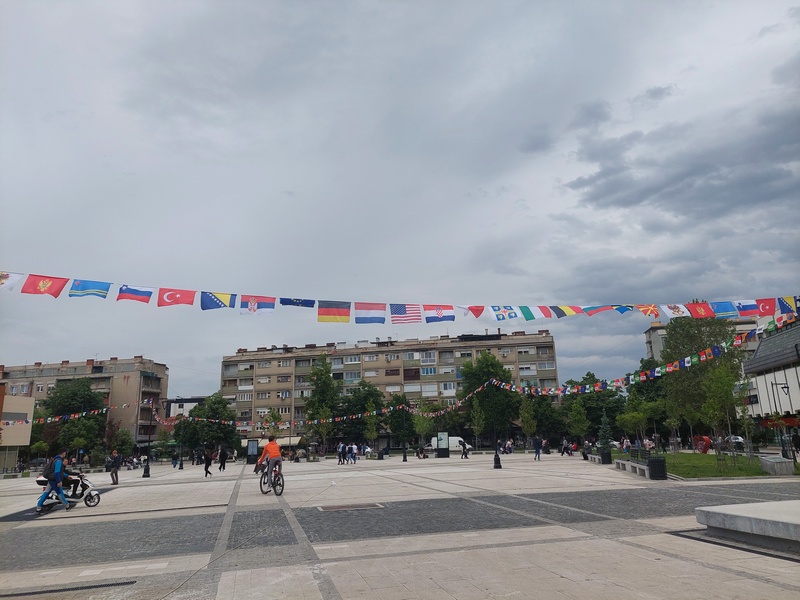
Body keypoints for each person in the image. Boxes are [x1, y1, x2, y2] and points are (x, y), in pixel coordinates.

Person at [36, 448, 72, 513]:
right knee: (60, 493)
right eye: (65, 453)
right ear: (63, 453)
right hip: (55, 480)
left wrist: (66, 476)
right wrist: (59, 481)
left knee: (46, 493)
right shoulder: (59, 461)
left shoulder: (54, 459)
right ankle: (67, 506)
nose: (65, 454)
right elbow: (57, 472)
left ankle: (38, 508)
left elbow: (58, 471)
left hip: (51, 479)